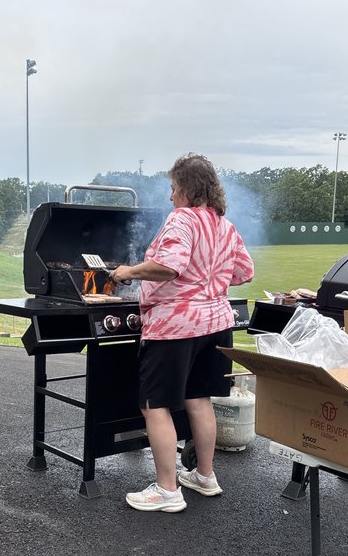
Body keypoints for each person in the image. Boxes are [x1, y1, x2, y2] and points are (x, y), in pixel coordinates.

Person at [109, 153, 254, 513]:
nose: (170, 196)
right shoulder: (225, 225)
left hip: (177, 327)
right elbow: (244, 271)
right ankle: (204, 476)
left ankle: (166, 490)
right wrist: (209, 282)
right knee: (199, 398)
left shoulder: (181, 219)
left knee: (154, 405)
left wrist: (128, 273)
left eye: (173, 188)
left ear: (188, 189)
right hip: (217, 324)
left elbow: (169, 266)